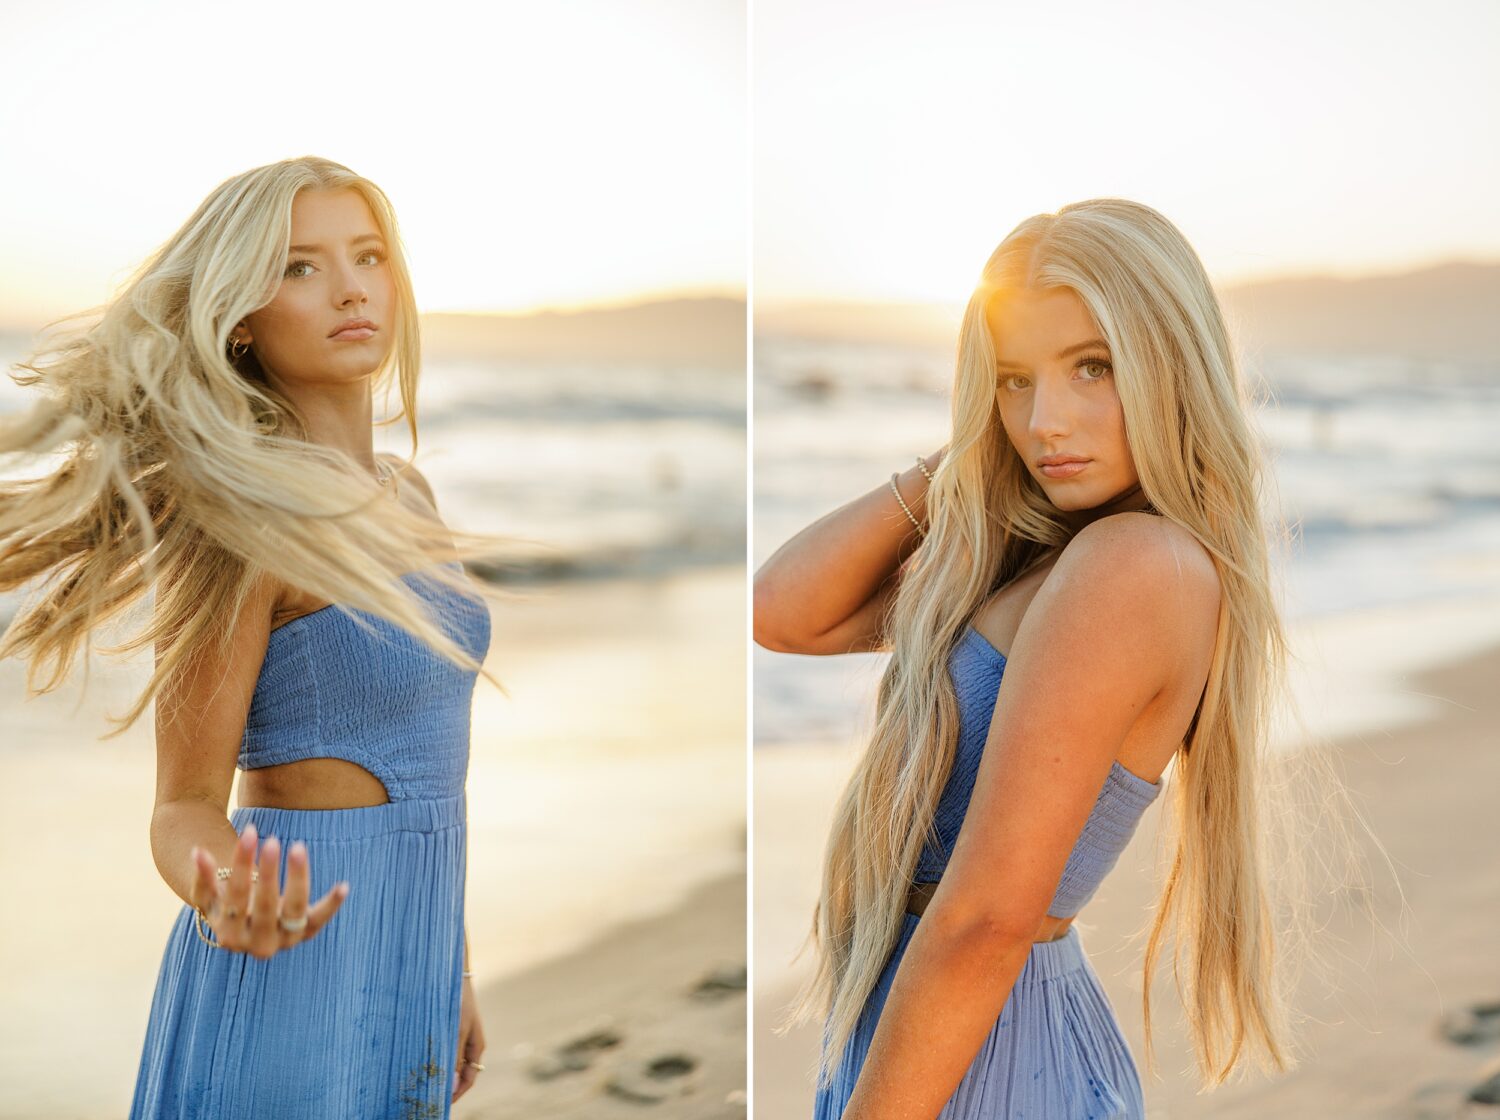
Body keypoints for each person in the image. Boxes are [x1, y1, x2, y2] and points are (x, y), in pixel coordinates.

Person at [754, 198, 1335, 1118]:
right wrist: (959, 464)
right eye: (1014, 379)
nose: (1045, 422)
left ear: (1168, 365)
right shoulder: (1051, 561)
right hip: (938, 1024)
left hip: (987, 1046)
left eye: (1091, 368)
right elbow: (786, 612)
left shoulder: (1131, 567)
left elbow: (989, 920)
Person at [0, 156, 507, 1118]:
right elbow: (183, 806)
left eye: (368, 256)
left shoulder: (413, 495)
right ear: (238, 313)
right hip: (289, 955)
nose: (351, 286)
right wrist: (230, 891)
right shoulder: (244, 524)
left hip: (417, 945)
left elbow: (443, 775)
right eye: (300, 267)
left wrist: (459, 969)